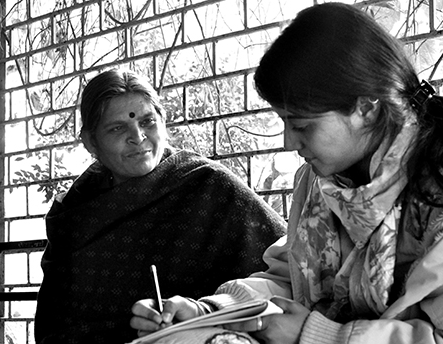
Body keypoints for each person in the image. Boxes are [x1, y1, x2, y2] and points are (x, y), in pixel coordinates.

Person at [129, 3, 443, 344]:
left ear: (366, 109)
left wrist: (319, 334)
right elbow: (291, 280)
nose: (290, 142)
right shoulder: (323, 180)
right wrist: (207, 311)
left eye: (303, 125)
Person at [34, 69, 286, 344]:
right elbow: (56, 322)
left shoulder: (210, 187)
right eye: (117, 128)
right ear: (91, 141)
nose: (138, 136)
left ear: (163, 122)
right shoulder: (76, 213)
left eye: (148, 122)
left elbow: (288, 274)